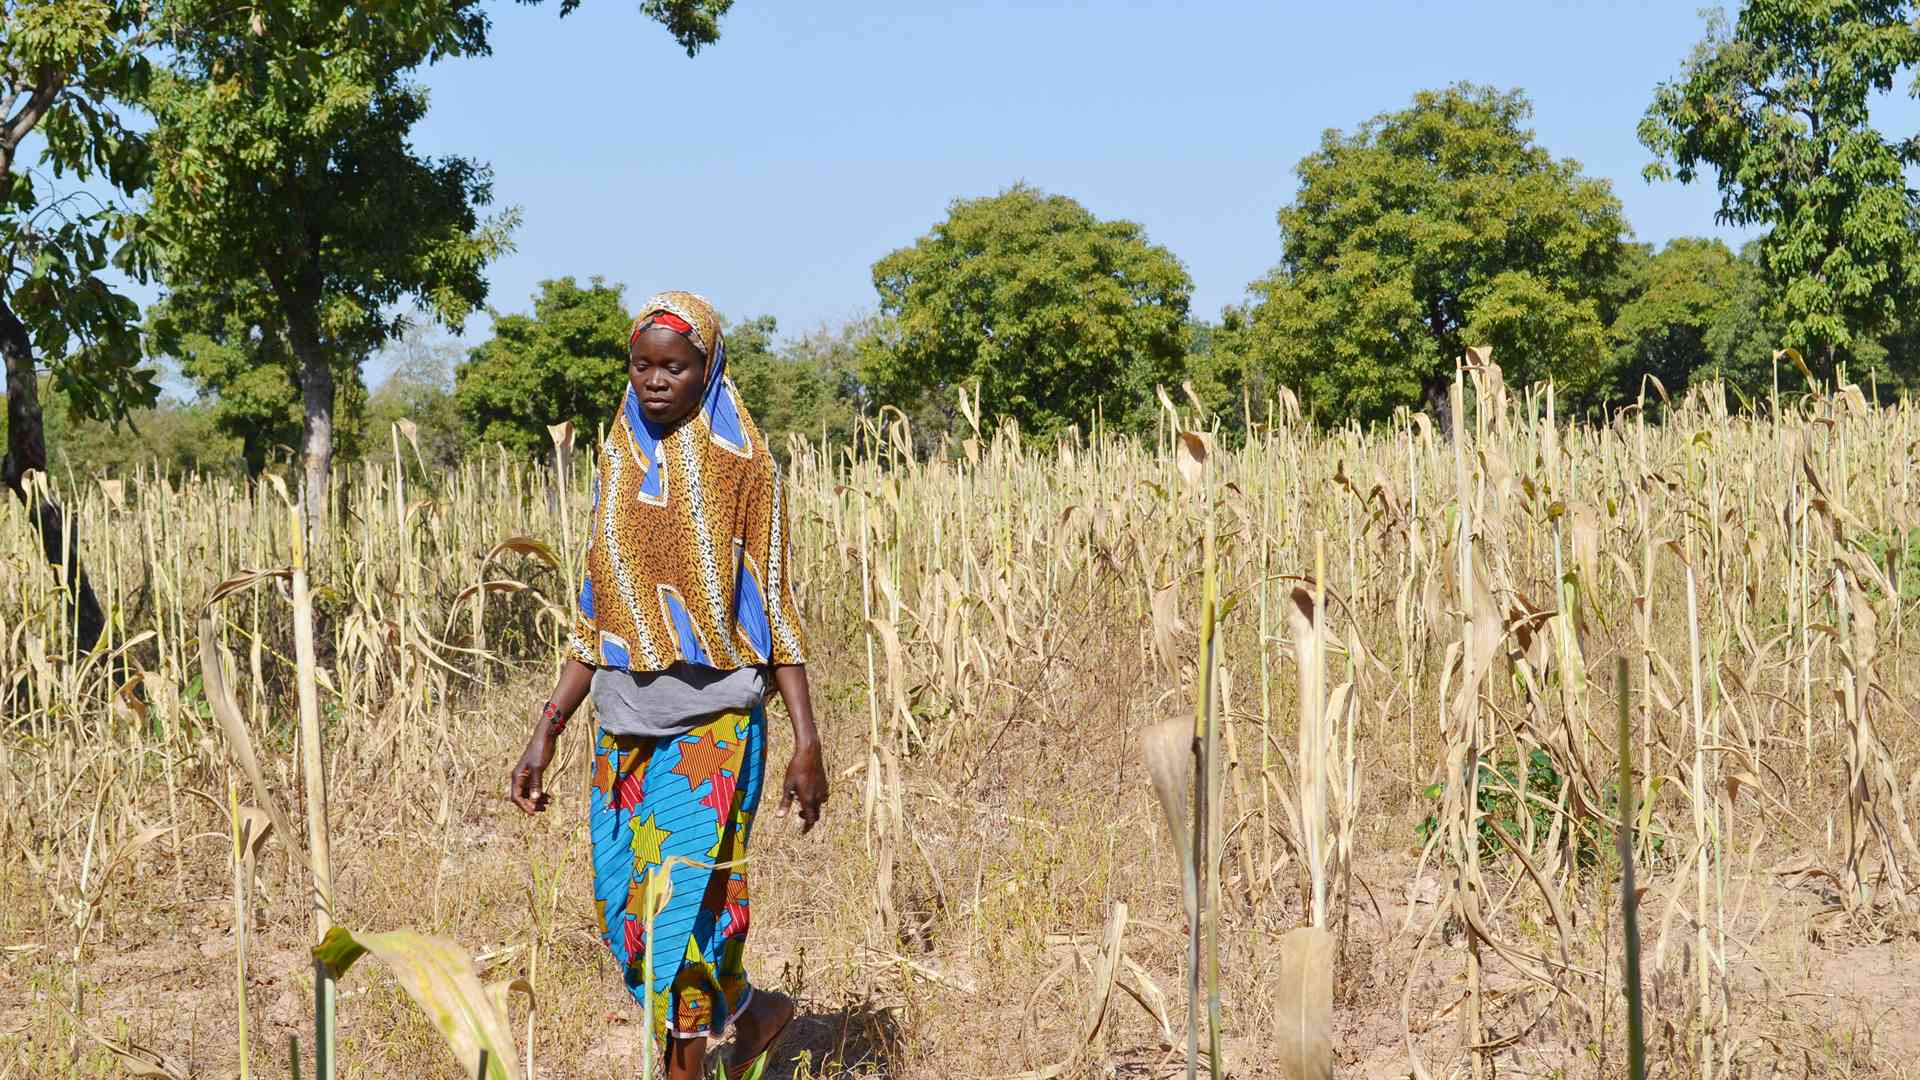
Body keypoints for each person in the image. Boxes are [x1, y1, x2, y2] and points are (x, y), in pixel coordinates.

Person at [508, 291, 828, 1080]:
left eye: (675, 366)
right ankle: (755, 1013)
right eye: (642, 364)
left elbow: (772, 602)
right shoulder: (619, 457)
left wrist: (808, 739)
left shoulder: (744, 465)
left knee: (678, 921)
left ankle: (681, 1069)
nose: (655, 380)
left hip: (714, 726)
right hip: (621, 726)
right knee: (626, 918)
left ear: (709, 367)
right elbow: (598, 610)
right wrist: (548, 726)